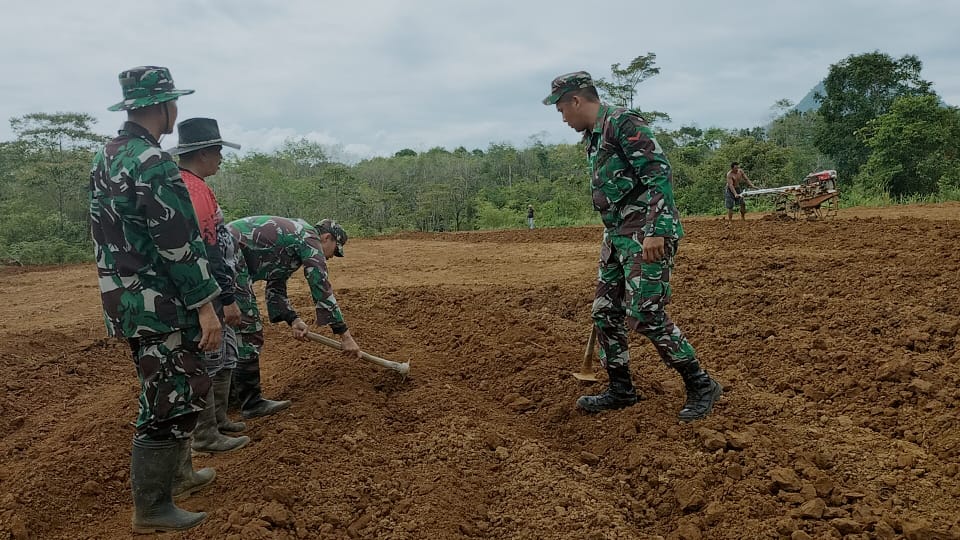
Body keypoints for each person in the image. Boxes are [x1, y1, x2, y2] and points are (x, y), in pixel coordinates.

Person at [543, 71, 722, 422]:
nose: (562, 117)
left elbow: (658, 172)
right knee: (604, 311)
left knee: (645, 312)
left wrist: (656, 229)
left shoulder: (623, 123)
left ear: (577, 101)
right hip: (618, 236)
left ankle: (701, 384)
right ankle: (621, 389)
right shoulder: (595, 137)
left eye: (562, 109)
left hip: (646, 233)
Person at [90, 66, 221, 533]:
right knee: (170, 397)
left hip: (126, 303)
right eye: (174, 103)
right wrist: (206, 304)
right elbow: (176, 241)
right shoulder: (153, 162)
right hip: (162, 304)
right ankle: (152, 508)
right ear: (165, 106)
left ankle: (180, 477)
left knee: (170, 388)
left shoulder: (107, 157)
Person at [168, 118, 250, 453]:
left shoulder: (190, 184)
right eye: (218, 150)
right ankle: (205, 435)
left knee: (226, 355)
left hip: (212, 289)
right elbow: (210, 248)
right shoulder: (194, 190)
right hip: (211, 293)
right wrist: (227, 298)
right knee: (210, 358)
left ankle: (218, 421)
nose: (221, 157)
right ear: (202, 153)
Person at [227, 216, 362, 419]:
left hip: (223, 252)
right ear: (326, 238)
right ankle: (251, 403)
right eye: (335, 250)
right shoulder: (309, 239)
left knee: (229, 329)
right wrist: (344, 335)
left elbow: (276, 285)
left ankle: (230, 398)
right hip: (227, 253)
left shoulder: (292, 240)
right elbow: (320, 285)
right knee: (249, 330)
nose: (331, 258)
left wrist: (293, 319)